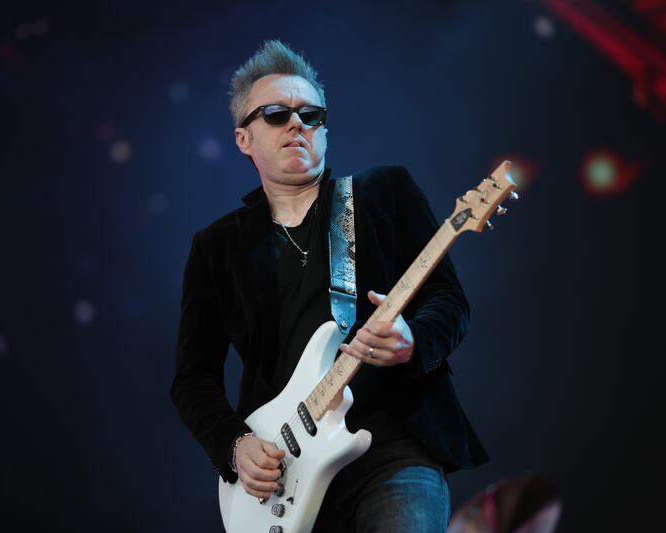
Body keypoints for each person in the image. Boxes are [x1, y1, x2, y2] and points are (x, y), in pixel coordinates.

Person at [170, 40, 488, 533]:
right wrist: (234, 446)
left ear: (324, 130)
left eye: (311, 115)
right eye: (276, 114)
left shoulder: (384, 193)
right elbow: (193, 379)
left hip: (393, 448)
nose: (297, 124)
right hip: (286, 472)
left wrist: (414, 340)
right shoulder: (217, 247)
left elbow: (449, 301)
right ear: (243, 138)